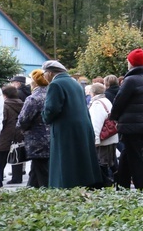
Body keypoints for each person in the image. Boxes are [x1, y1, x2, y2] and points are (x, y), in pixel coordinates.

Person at [41, 60, 103, 188]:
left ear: (50, 73)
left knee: (65, 162)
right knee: (80, 160)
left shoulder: (56, 84)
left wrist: (45, 117)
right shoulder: (75, 83)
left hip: (65, 129)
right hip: (81, 127)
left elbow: (51, 109)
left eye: (45, 73)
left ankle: (65, 187)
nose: (44, 77)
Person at [110, 48, 143, 190]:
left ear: (131, 62)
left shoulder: (130, 80)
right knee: (127, 154)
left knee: (135, 158)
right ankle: (122, 186)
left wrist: (114, 118)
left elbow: (119, 101)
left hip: (131, 125)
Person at [17, 69, 50, 187]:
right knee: (37, 170)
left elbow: (23, 120)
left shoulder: (33, 98)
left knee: (42, 171)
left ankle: (46, 196)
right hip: (52, 138)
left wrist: (21, 128)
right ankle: (30, 190)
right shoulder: (51, 95)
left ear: (34, 82)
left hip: (36, 139)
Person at [87, 83, 119, 184]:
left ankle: (106, 185)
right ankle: (118, 183)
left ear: (92, 93)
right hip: (111, 137)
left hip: (103, 140)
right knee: (112, 163)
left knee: (102, 164)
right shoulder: (106, 101)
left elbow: (96, 123)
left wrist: (95, 140)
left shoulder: (96, 104)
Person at [0, 85, 24, 184]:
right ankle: (17, 177)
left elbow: (2, 120)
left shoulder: (5, 105)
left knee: (0, 157)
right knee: (16, 154)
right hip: (18, 133)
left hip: (5, 135)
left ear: (5, 95)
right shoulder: (22, 103)